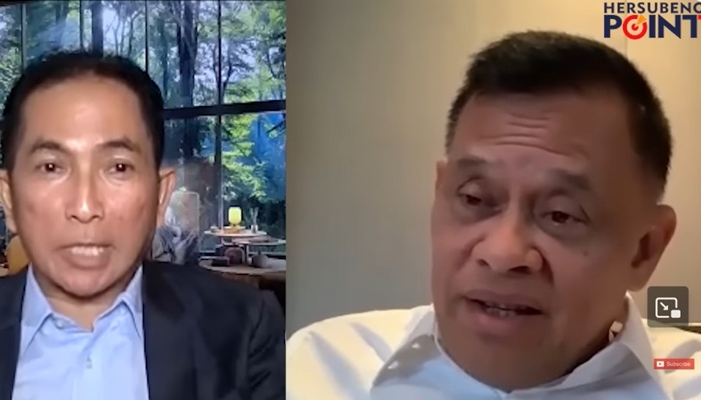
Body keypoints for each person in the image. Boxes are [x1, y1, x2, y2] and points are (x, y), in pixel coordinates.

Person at [287, 30, 701, 399]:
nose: (503, 254)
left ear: (645, 249)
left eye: (561, 215)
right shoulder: (314, 368)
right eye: (474, 199)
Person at [0, 51, 285, 400]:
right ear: (8, 197)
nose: (85, 207)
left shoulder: (241, 329)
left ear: (160, 196)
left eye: (118, 167)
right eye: (51, 167)